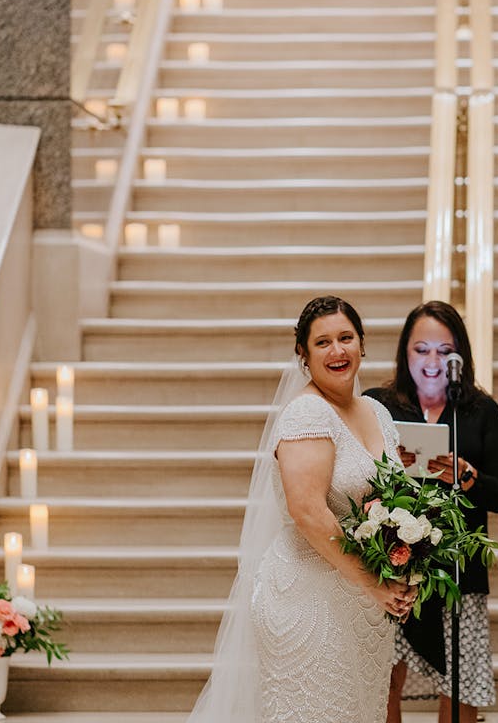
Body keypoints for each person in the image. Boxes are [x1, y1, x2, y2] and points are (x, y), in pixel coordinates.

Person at [188, 296, 417, 723]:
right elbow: (308, 511)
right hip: (308, 602)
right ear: (304, 356)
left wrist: (405, 563)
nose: (338, 351)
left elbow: (390, 501)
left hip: (362, 608)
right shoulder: (307, 413)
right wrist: (373, 582)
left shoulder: (377, 412)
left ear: (362, 344)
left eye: (346, 338)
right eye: (323, 342)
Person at [364, 301, 498, 723]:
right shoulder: (378, 405)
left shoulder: (481, 411)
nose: (432, 362)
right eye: (421, 349)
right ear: (403, 352)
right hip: (393, 567)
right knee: (383, 681)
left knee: (461, 685)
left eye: (444, 351)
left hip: (459, 571)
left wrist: (465, 475)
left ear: (459, 357)